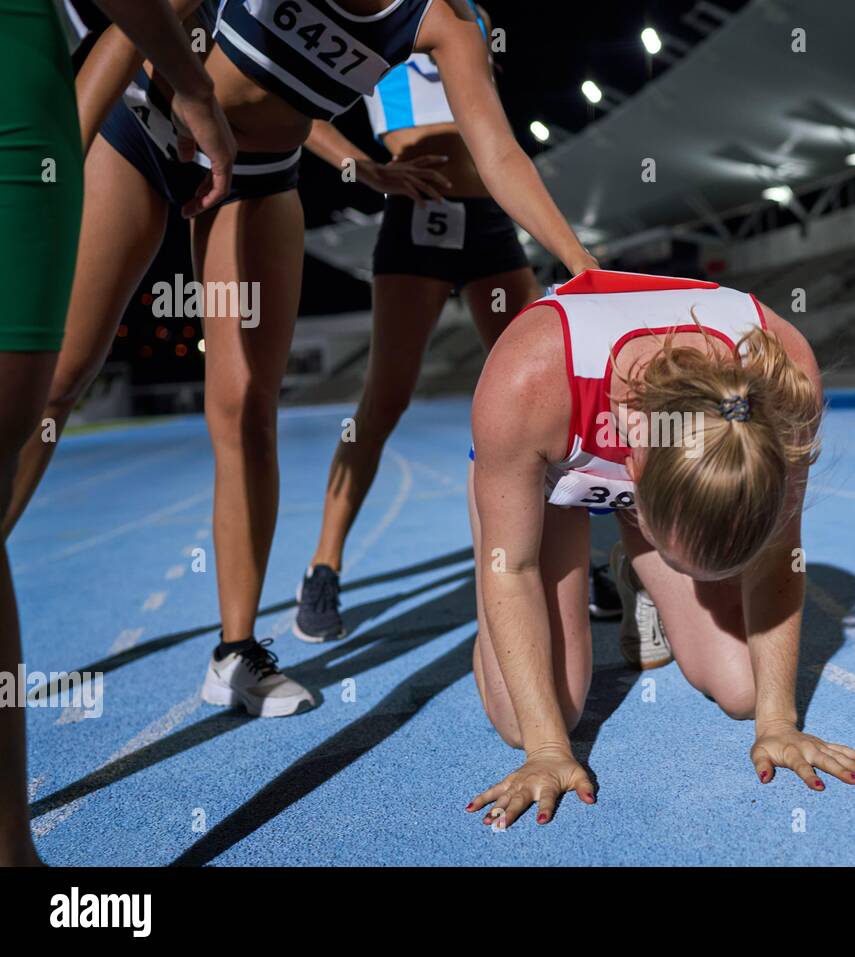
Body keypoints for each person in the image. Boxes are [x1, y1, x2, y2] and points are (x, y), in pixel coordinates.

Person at [3, 0, 597, 720]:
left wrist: (580, 265)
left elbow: (500, 152)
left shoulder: (448, 19)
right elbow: (144, 18)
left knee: (249, 408)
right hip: (146, 125)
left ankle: (236, 654)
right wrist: (55, 162)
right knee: (59, 377)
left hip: (259, 175)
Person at [464, 269, 855, 828]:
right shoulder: (531, 378)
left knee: (745, 690)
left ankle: (638, 582)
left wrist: (778, 722)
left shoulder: (784, 384)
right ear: (632, 469)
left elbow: (779, 554)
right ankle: (552, 561)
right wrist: (547, 752)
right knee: (531, 718)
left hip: (653, 478)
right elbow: (512, 566)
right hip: (545, 478)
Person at [1, 0, 235, 867]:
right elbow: (142, 16)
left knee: (58, 387)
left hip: (103, 100)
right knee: (50, 384)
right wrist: (197, 93)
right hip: (86, 98)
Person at [293, 4, 544, 644]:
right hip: (416, 221)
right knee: (384, 399)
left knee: (548, 396)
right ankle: (323, 565)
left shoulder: (477, 15)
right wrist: (365, 168)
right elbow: (298, 104)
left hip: (489, 225)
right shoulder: (371, 9)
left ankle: (574, 562)